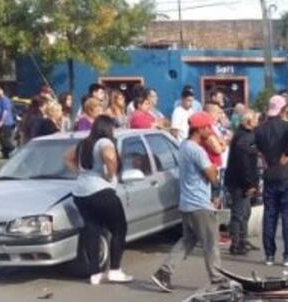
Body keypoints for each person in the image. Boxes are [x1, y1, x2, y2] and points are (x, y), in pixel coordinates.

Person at [151, 112, 224, 292]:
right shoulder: (196, 150)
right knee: (211, 242)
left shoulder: (184, 146)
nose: (211, 131)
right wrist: (215, 169)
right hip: (199, 203)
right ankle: (218, 279)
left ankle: (164, 272)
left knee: (188, 241)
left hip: (187, 202)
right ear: (199, 129)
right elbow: (212, 176)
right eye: (208, 127)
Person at [68, 115, 133, 285]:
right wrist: (109, 174)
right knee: (119, 229)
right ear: (107, 128)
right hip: (101, 191)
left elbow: (67, 157)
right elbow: (110, 158)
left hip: (81, 193)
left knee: (93, 228)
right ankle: (115, 270)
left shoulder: (84, 143)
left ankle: (94, 273)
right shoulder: (105, 142)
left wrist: (80, 172)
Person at [256, 95, 288, 267]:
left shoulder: (261, 129)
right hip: (285, 175)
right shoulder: (287, 126)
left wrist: (265, 157)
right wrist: (286, 154)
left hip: (269, 174)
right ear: (283, 109)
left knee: (269, 215)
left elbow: (258, 147)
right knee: (286, 215)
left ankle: (269, 254)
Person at [224, 108, 259, 255]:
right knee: (239, 213)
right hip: (239, 182)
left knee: (246, 212)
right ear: (249, 121)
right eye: (256, 119)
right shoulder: (244, 138)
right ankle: (236, 243)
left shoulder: (245, 135)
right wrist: (249, 184)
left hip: (240, 180)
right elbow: (243, 163)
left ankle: (242, 239)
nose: (258, 122)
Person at [0, 87, 17, 159]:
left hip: (6, 123)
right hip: (0, 122)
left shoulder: (5, 100)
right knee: (0, 138)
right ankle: (5, 155)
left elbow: (5, 111)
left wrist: (2, 121)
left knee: (5, 139)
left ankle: (14, 149)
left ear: (2, 91)